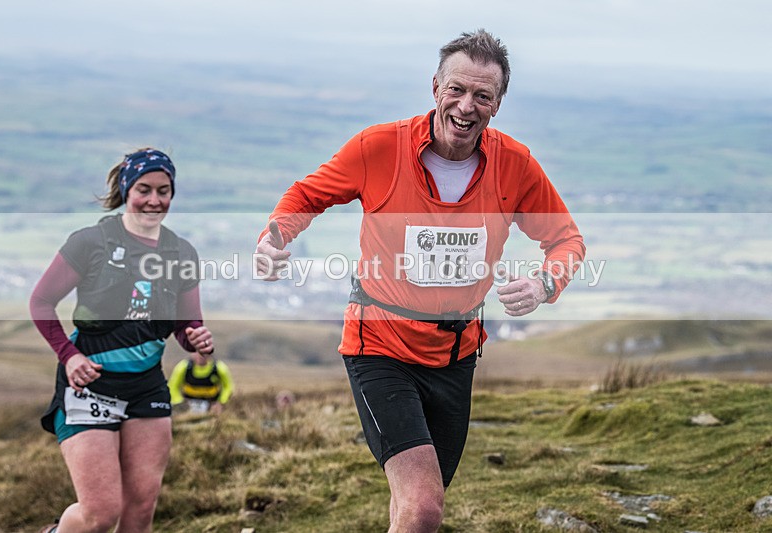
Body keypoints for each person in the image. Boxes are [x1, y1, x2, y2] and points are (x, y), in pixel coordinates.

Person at [254, 29, 586, 531]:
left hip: (455, 357)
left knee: (415, 506)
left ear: (498, 104)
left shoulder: (515, 164)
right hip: (379, 346)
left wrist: (545, 284)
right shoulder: (379, 147)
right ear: (435, 87)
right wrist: (275, 236)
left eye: (482, 96)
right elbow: (306, 195)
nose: (466, 106)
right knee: (424, 505)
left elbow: (566, 239)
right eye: (457, 89)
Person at [30, 148, 215, 533]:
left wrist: (194, 336)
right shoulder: (91, 242)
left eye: (164, 191)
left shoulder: (181, 252)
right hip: (90, 386)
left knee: (141, 509)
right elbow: (41, 302)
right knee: (100, 515)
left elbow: (186, 323)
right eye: (144, 189)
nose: (154, 200)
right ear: (127, 190)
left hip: (146, 387)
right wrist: (69, 356)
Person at [168, 351, 234, 415]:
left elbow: (228, 386)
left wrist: (221, 402)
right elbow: (172, 386)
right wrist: (179, 402)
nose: (201, 356)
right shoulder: (183, 367)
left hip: (211, 405)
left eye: (204, 353)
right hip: (187, 405)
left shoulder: (219, 368)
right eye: (198, 353)